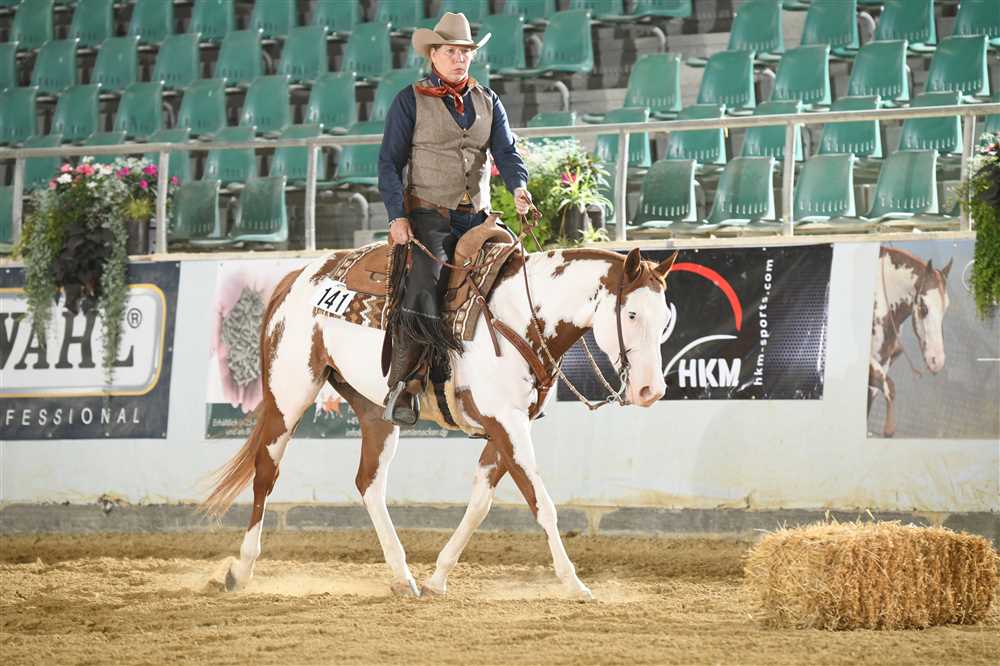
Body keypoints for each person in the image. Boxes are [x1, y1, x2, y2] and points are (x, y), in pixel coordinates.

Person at [378, 12, 534, 426]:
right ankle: (405, 383)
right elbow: (389, 163)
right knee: (425, 280)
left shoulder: (488, 100)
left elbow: (506, 152)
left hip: (479, 217)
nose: (459, 58)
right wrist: (397, 216)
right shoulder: (409, 100)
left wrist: (519, 187)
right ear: (433, 54)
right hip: (430, 213)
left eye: (465, 52)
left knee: (518, 266)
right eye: (451, 51)